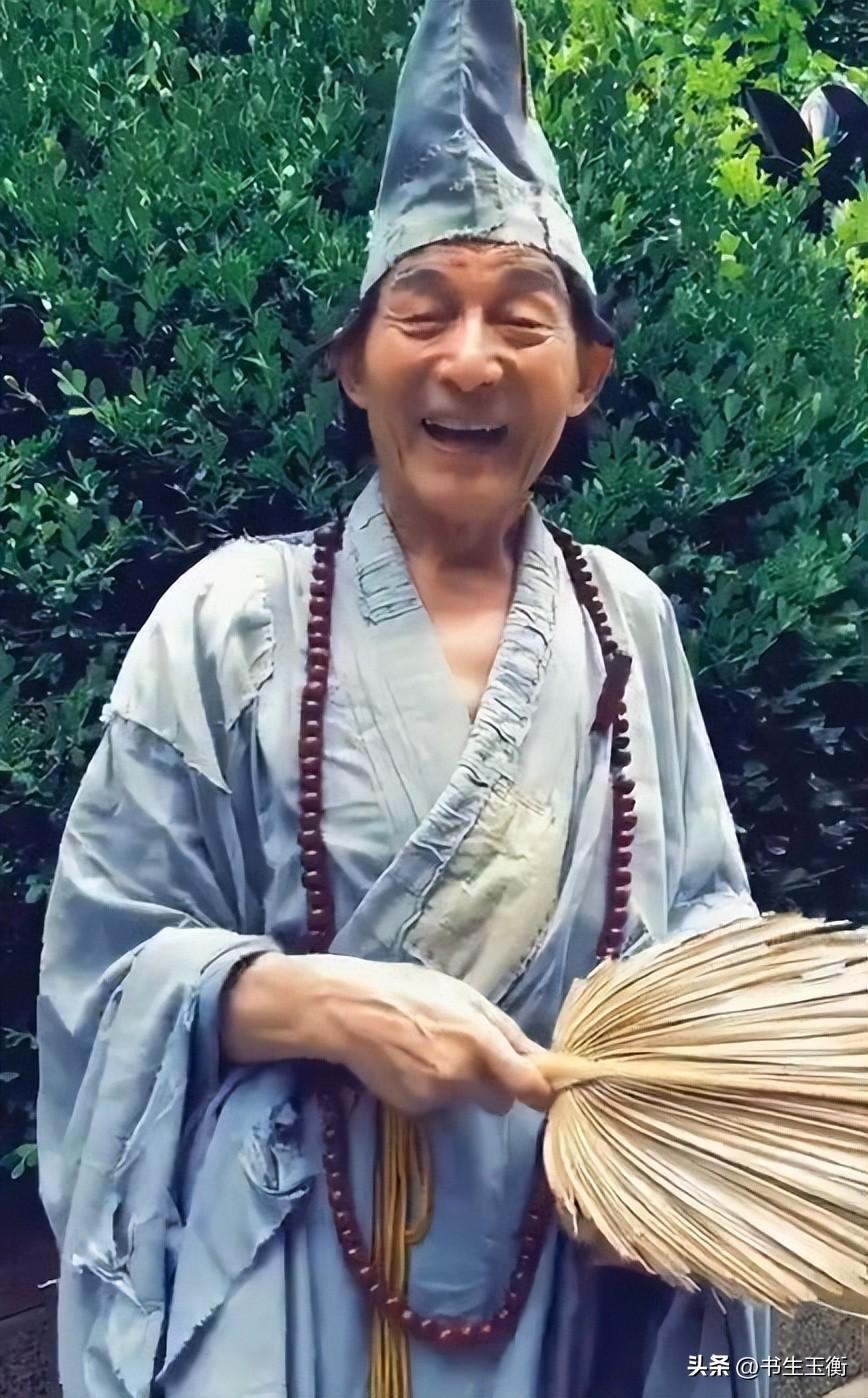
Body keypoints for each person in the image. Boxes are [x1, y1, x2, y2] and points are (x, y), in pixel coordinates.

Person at [36, 1, 772, 1394]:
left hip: (562, 1272)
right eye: (423, 312)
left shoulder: (629, 625)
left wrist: (666, 1142)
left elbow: (699, 932)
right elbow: (105, 969)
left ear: (586, 376)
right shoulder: (229, 622)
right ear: (355, 363)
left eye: (523, 320)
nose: (471, 359)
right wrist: (311, 1002)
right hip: (284, 1279)